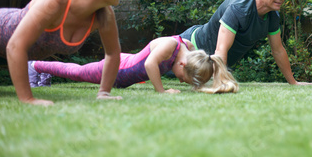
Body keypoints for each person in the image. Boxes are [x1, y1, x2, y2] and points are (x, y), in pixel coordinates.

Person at [180, 0, 311, 85]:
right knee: (161, 64)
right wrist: (221, 82)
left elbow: (278, 50)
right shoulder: (238, 9)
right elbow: (221, 49)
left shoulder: (272, 16)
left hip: (207, 64)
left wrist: (293, 83)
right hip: (189, 48)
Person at [28, 35, 239, 94]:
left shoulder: (189, 48)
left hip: (126, 74)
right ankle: (35, 66)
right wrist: (162, 91)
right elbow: (149, 64)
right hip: (117, 69)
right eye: (182, 78)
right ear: (183, 64)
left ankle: (42, 72)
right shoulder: (170, 45)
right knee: (78, 72)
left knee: (78, 72)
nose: (181, 81)